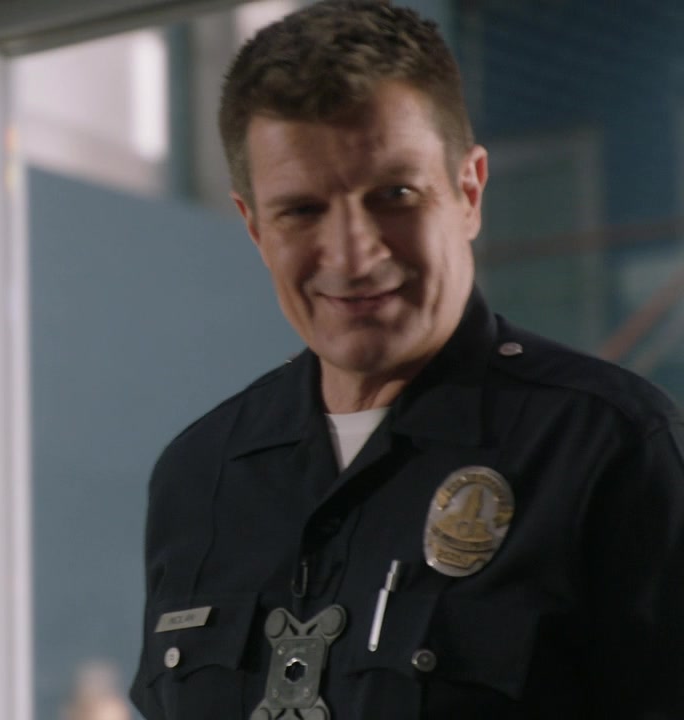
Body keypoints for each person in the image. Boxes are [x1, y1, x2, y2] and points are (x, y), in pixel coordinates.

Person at [129, 1, 684, 718]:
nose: (353, 255)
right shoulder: (199, 476)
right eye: (302, 211)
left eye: (394, 195)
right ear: (255, 227)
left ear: (469, 193)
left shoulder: (607, 448)